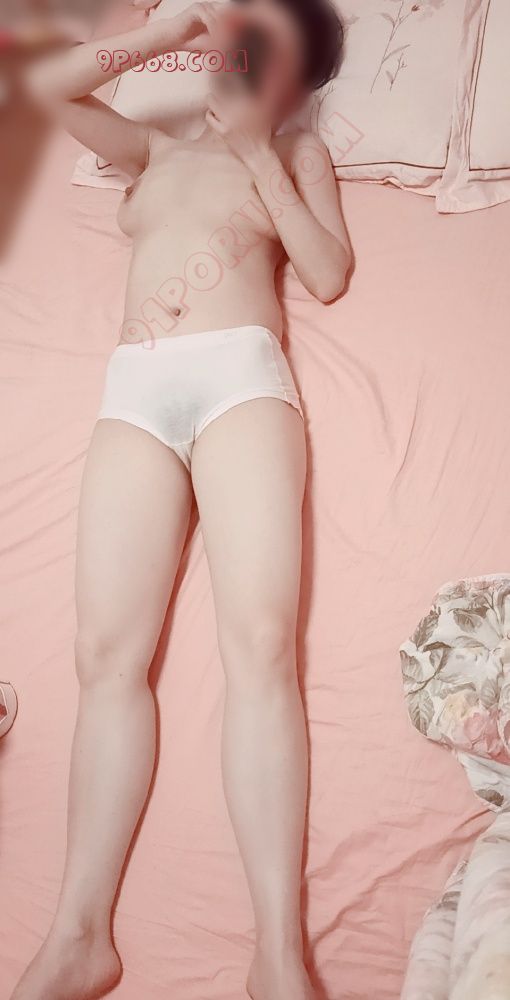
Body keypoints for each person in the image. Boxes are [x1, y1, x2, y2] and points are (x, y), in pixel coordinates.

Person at [12, 1, 351, 998]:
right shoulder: (153, 152)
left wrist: (257, 154)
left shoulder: (298, 155)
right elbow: (39, 86)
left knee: (262, 647)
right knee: (105, 657)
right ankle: (80, 934)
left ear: (298, 80)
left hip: (242, 379)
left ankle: (278, 953)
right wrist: (165, 32)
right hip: (138, 388)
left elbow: (328, 271)